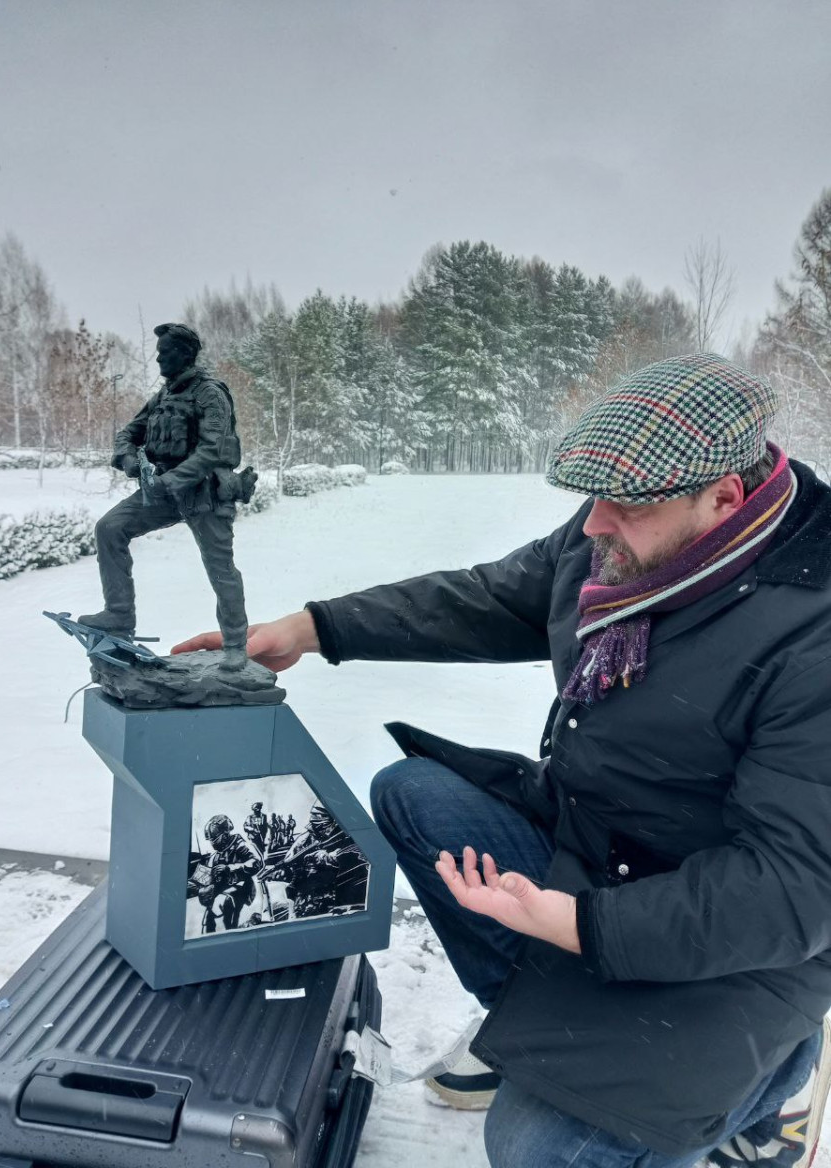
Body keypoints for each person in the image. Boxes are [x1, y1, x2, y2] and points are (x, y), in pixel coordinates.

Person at [173, 354, 831, 1168]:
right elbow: (491, 597)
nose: (593, 526)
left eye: (622, 506)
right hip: (598, 847)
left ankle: (768, 1088)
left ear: (724, 498)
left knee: (536, 1147)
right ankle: (538, 1026)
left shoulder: (814, 630)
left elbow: (794, 891)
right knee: (416, 796)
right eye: (591, 502)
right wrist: (310, 629)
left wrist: (575, 925)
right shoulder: (629, 543)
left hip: (734, 942)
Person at [79, 322, 252, 667]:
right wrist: (129, 459)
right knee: (110, 528)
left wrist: (169, 481)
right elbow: (129, 433)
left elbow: (212, 451)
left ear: (185, 354)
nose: (158, 357)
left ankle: (235, 644)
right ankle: (119, 615)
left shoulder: (209, 393)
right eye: (158, 350)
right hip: (164, 491)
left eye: (166, 350)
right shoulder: (164, 395)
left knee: (220, 569)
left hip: (205, 494)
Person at [194, 813, 259, 933]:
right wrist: (202, 888)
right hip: (222, 890)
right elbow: (204, 878)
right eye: (211, 840)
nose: (212, 843)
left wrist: (230, 868)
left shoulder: (240, 844)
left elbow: (257, 862)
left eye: (215, 839)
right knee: (209, 915)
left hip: (243, 888)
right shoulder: (215, 856)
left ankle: (233, 933)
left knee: (227, 904)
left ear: (225, 834)